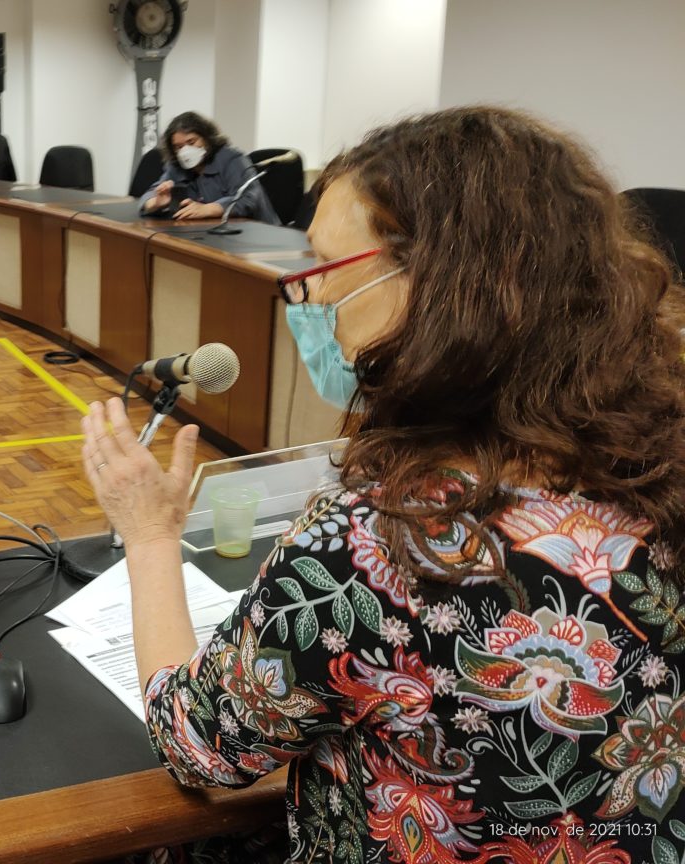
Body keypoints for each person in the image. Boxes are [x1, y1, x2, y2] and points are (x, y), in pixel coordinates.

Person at [83, 106, 685, 861]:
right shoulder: (659, 467)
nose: (314, 309)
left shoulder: (374, 546)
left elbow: (197, 745)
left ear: (443, 287)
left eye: (327, 275)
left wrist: (148, 532)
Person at [138, 111, 279, 224]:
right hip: (209, 233)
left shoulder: (233, 159)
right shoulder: (176, 165)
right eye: (178, 147)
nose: (185, 151)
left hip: (256, 234)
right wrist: (156, 203)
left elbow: (248, 199)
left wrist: (209, 209)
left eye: (191, 142)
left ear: (206, 138)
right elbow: (151, 193)